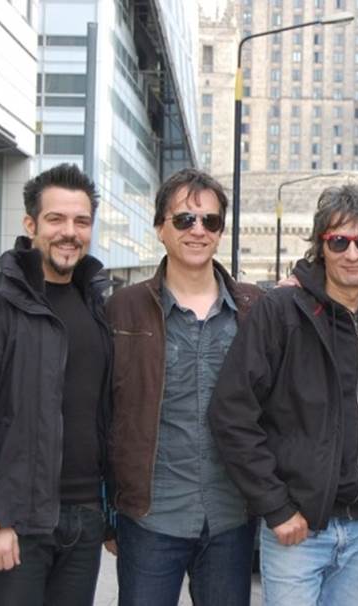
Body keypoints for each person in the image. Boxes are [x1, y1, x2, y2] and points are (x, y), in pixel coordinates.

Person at [208, 182, 358, 606]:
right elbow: (231, 413)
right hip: (298, 527)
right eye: (339, 241)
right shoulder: (280, 312)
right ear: (321, 246)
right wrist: (276, 506)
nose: (353, 253)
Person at [0, 163, 112, 605]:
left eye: (81, 221)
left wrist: (111, 514)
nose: (69, 232)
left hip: (85, 522)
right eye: (56, 219)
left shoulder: (97, 308)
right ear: (30, 224)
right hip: (14, 525)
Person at [105, 169, 262, 606]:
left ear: (221, 232)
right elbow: (104, 414)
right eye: (184, 219)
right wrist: (106, 511)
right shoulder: (122, 309)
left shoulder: (256, 309)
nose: (198, 230)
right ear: (160, 228)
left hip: (232, 518)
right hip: (150, 519)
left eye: (210, 221)